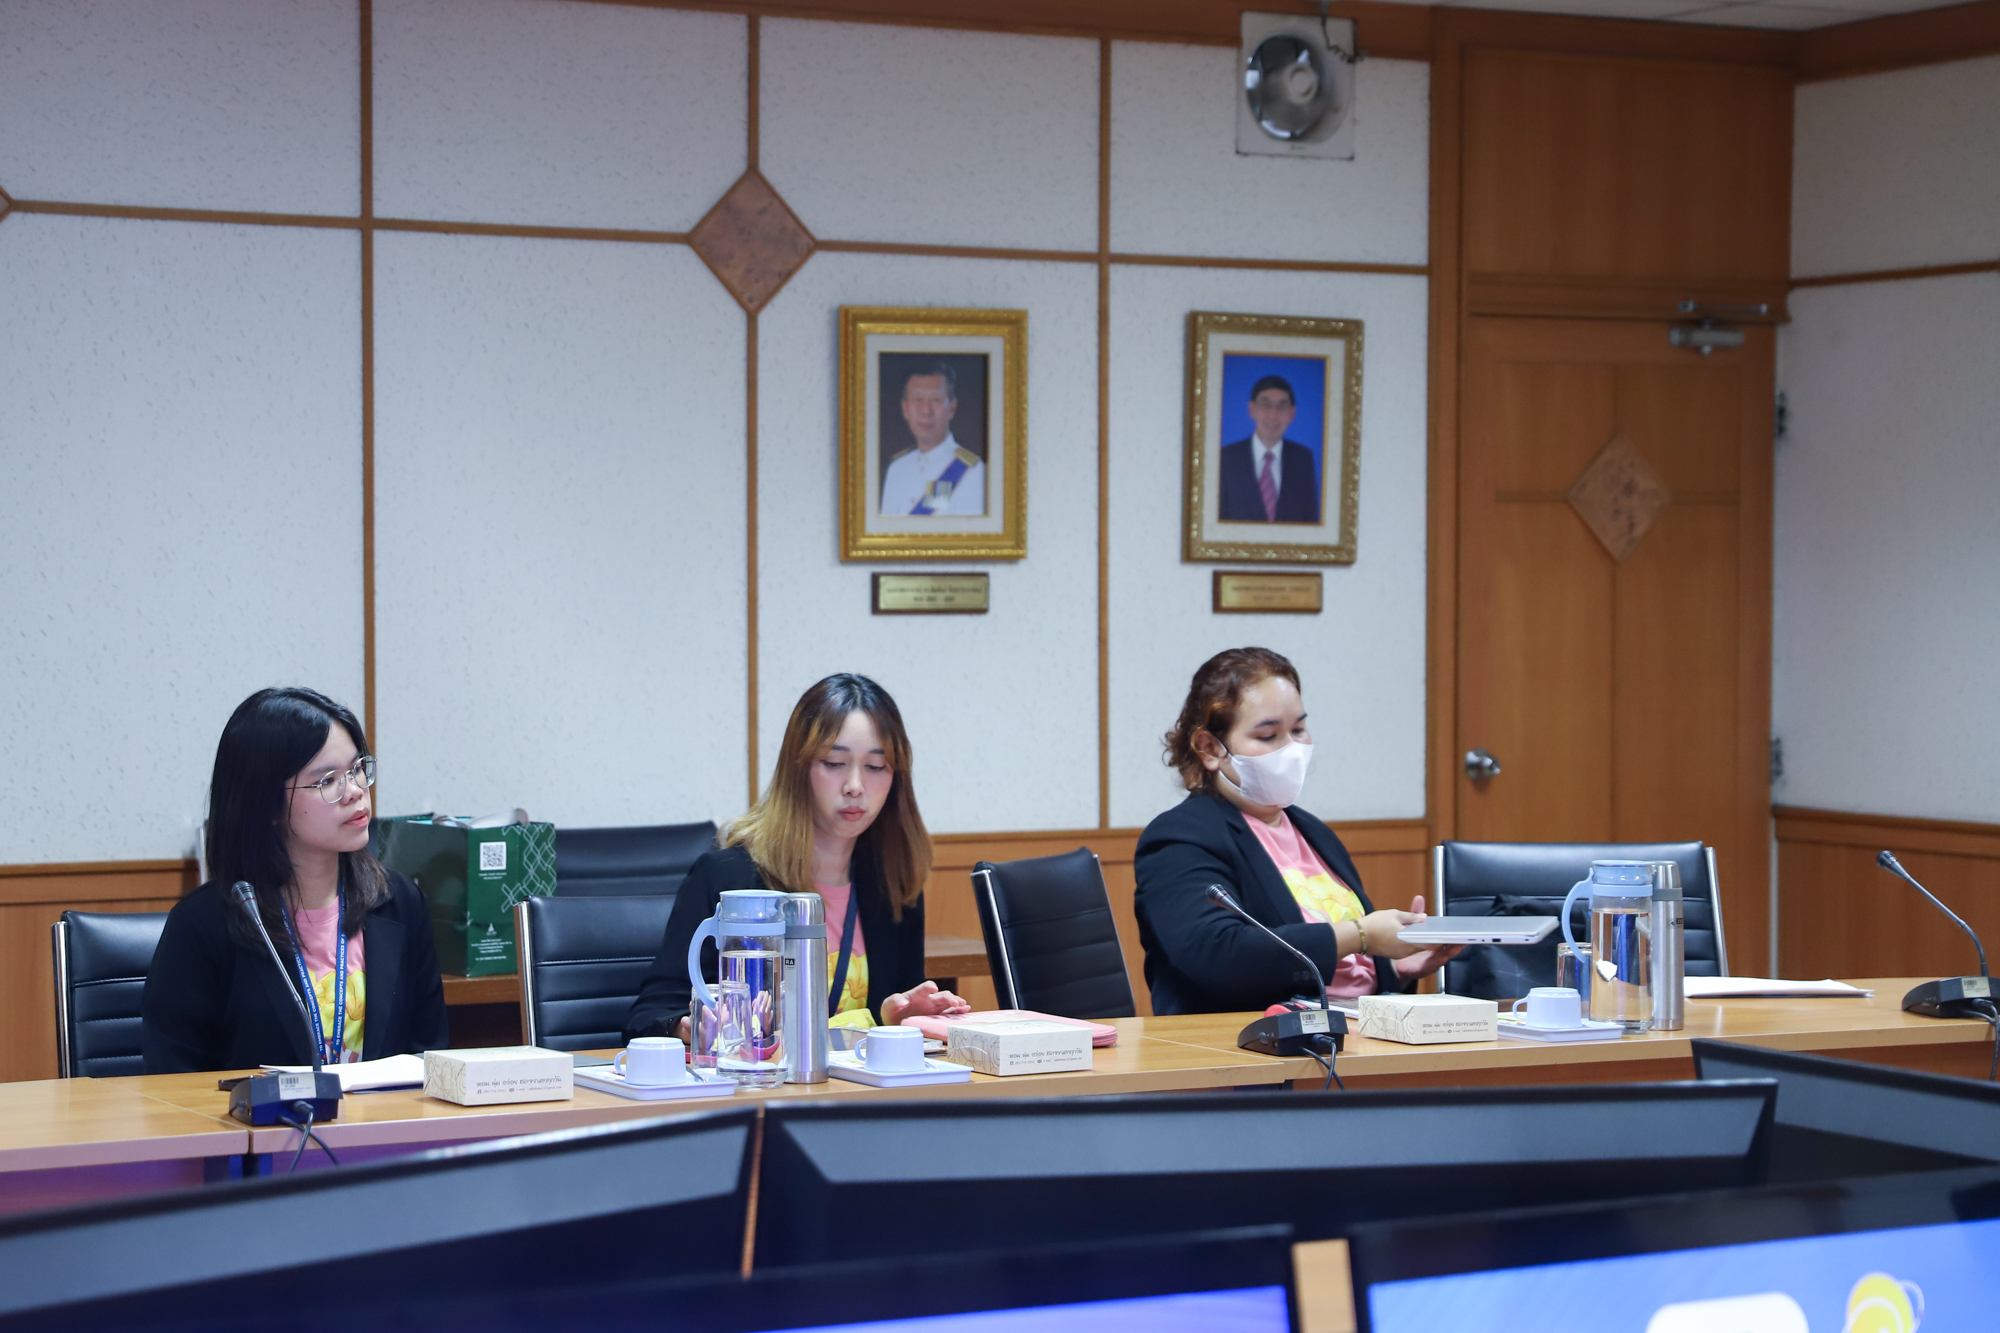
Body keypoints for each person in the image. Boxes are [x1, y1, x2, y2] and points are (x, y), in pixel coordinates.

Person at [625, 673, 969, 1042]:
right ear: (798, 768)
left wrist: (899, 1018)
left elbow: (889, 1016)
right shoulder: (727, 877)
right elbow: (648, 1017)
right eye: (834, 763)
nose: (855, 786)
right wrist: (691, 1026)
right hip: (760, 1076)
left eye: (875, 766)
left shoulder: (893, 884)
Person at [1133, 648, 1459, 1015]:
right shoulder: (1181, 837)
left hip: (1353, 1032)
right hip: (1250, 1043)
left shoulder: (1313, 831)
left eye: (1299, 729)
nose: (1292, 749)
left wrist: (1394, 972)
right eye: (1268, 735)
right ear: (1210, 748)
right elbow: (1218, 954)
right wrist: (1361, 934)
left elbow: (1342, 973)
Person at [142, 688, 449, 1073]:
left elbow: (428, 1056)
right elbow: (172, 1080)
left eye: (357, 769)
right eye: (328, 781)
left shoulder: (400, 903)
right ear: (266, 804)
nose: (356, 791)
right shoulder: (204, 925)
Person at [878, 361, 987, 517]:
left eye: (935, 400)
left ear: (952, 408)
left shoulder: (972, 472)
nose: (926, 411)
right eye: (918, 400)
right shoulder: (897, 469)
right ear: (905, 408)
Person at [1217, 374, 1321, 524]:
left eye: (1282, 406)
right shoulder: (1227, 458)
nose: (1273, 415)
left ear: (1292, 414)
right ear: (1251, 409)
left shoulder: (1303, 459)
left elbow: (1310, 520)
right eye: (1266, 405)